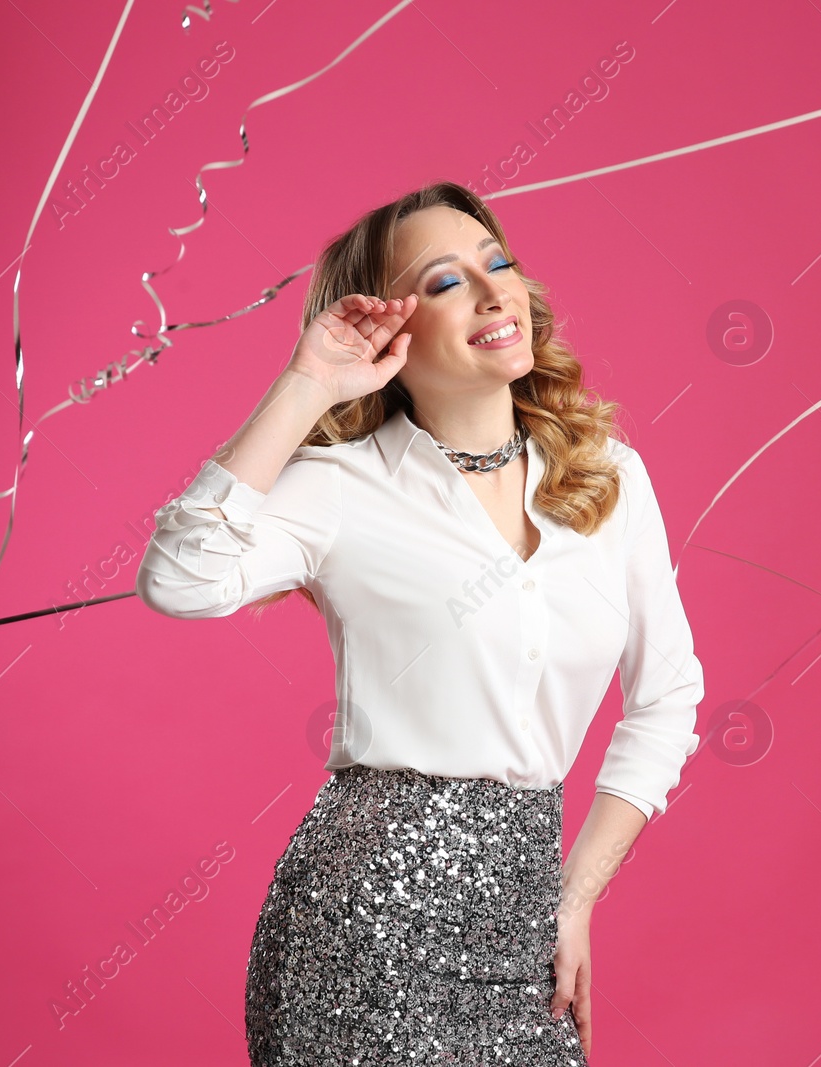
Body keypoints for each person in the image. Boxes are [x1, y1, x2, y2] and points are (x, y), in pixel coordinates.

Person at [136, 180, 704, 1066]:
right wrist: (307, 383)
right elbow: (181, 578)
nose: (492, 293)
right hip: (360, 936)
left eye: (498, 263)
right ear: (390, 332)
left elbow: (668, 698)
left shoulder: (610, 477)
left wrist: (577, 894)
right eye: (445, 282)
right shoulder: (341, 485)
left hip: (523, 931)